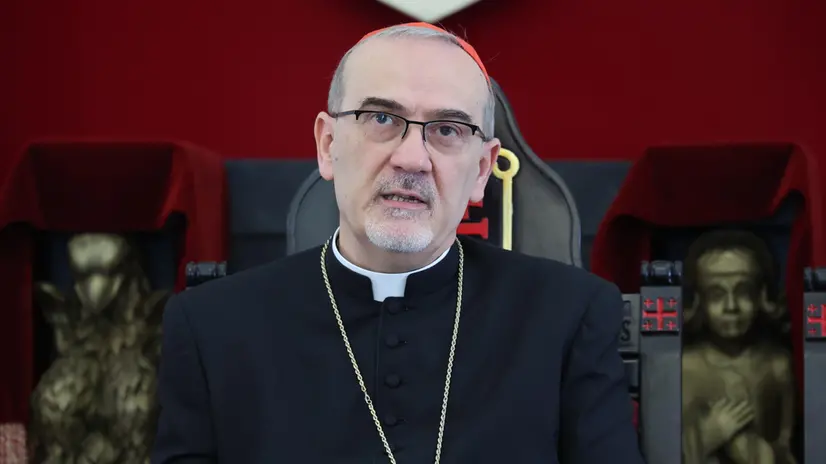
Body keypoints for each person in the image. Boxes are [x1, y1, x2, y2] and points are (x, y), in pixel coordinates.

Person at [151, 22, 644, 464]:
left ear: (480, 170)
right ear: (328, 146)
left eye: (447, 129)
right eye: (382, 119)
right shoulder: (212, 328)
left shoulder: (568, 316)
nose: (412, 158)